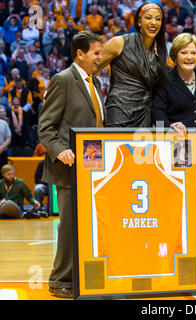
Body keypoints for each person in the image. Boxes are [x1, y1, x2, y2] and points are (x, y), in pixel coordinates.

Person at [152, 33, 196, 287]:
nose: (189, 57)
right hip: (177, 154)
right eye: (184, 52)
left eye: (193, 52)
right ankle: (175, 271)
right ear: (175, 56)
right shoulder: (164, 81)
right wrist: (170, 125)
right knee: (179, 212)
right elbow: (157, 113)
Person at [38, 31, 105, 299]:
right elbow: (45, 126)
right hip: (69, 169)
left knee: (87, 226)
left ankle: (80, 277)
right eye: (96, 53)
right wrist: (60, 150)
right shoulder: (62, 80)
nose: (101, 58)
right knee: (68, 227)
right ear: (80, 54)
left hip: (94, 166)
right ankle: (60, 280)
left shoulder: (96, 82)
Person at [97, 2, 167, 127]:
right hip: (119, 112)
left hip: (144, 115)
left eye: (158, 19)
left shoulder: (159, 51)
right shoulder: (119, 43)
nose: (153, 22)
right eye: (148, 17)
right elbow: (90, 69)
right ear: (139, 21)